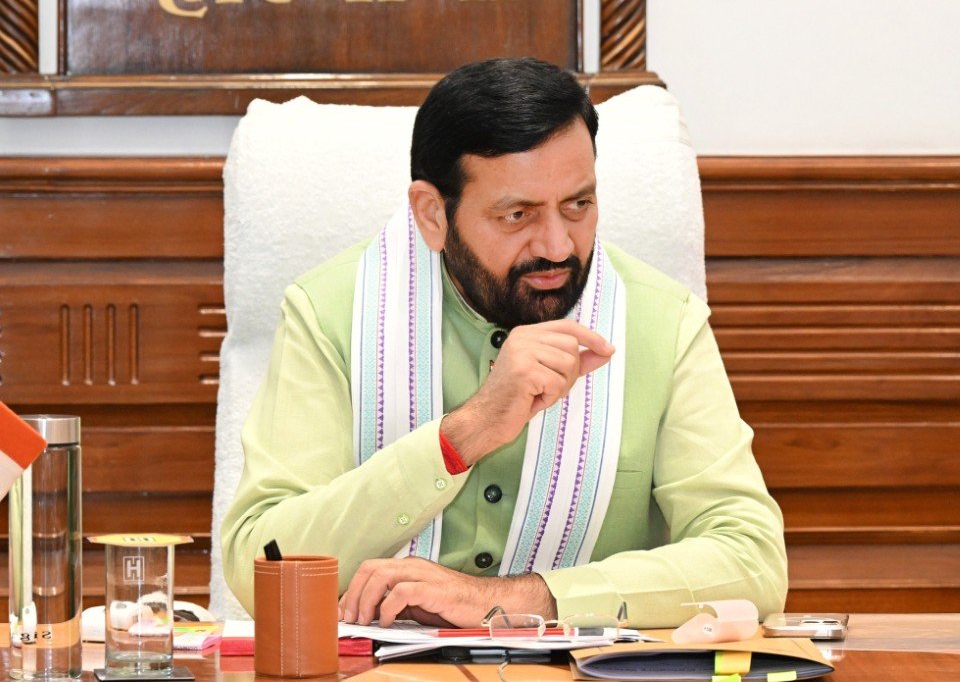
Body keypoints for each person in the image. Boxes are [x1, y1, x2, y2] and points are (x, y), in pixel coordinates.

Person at [221, 57, 787, 629]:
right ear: (433, 215)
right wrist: (463, 435)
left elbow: (753, 561)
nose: (558, 247)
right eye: (517, 215)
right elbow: (260, 567)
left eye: (578, 205)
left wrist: (521, 599)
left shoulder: (663, 322)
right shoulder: (329, 314)